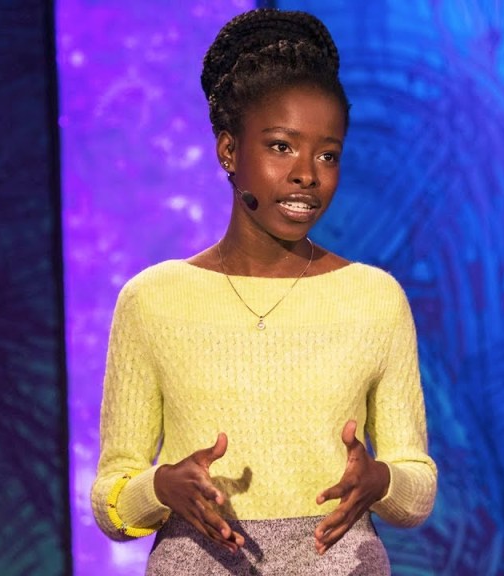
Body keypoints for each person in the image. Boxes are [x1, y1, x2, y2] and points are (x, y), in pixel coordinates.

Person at [90, 8, 438, 575]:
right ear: (229, 151)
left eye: (327, 154)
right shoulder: (152, 300)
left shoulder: (374, 297)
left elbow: (417, 490)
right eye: (281, 146)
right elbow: (111, 499)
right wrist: (159, 487)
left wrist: (381, 480)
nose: (308, 174)